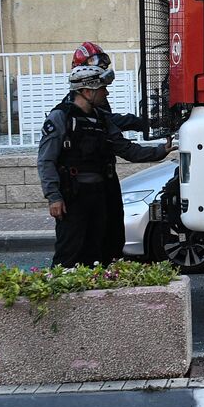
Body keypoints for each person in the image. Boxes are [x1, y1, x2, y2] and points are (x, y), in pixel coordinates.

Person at [37, 62, 170, 268]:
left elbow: (127, 149)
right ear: (86, 91)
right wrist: (54, 197)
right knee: (69, 252)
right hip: (74, 196)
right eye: (101, 89)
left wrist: (161, 150)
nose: (106, 93)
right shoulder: (61, 117)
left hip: (102, 195)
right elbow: (46, 160)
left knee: (103, 249)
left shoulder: (102, 119)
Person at [68, 42, 150, 258]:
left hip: (104, 179)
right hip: (82, 186)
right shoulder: (71, 112)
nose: (106, 92)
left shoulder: (95, 100)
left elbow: (111, 128)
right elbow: (114, 130)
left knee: (111, 236)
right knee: (79, 246)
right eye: (97, 64)